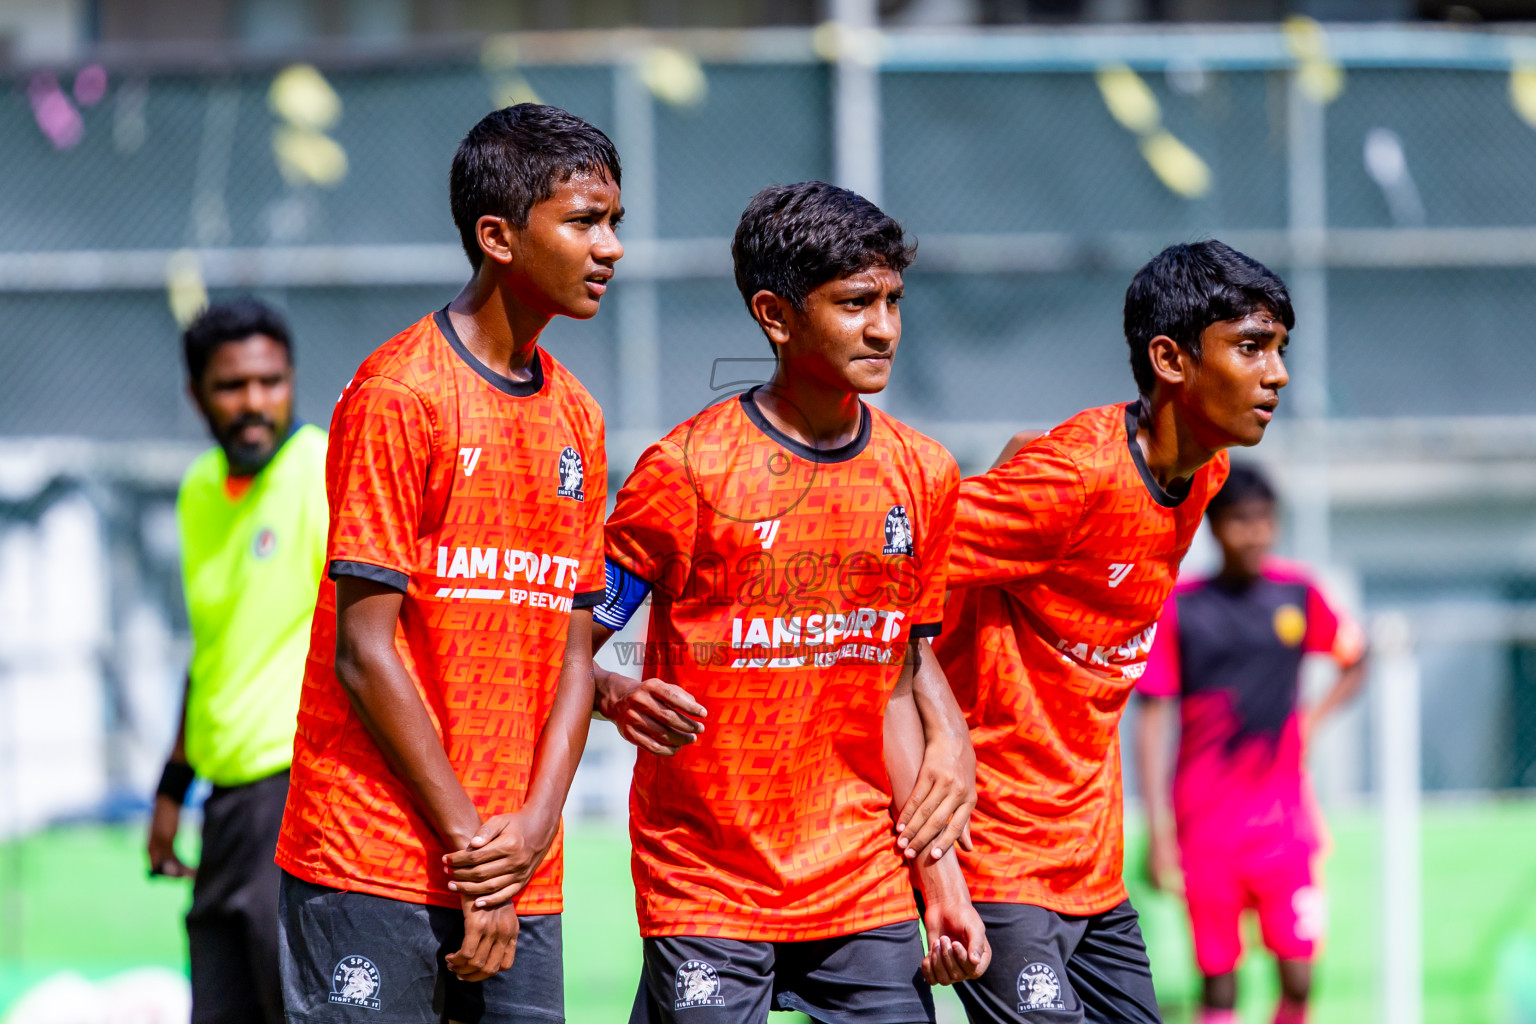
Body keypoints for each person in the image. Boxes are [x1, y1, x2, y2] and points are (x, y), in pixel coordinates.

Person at [567, 182, 988, 1024]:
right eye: (857, 303)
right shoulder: (687, 470)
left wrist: (941, 879)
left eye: (894, 301)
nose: (885, 328)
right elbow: (576, 635)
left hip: (862, 880)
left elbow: (897, 685)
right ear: (777, 315)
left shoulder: (923, 474)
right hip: (707, 882)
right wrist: (616, 691)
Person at [273, 103, 620, 1024]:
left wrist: (535, 833)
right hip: (376, 858)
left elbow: (577, 650)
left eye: (613, 221)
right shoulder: (401, 394)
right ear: (498, 236)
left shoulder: (579, 416)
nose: (611, 246)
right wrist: (475, 854)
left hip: (515, 866)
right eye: (585, 221)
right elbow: (365, 651)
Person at [931, 239, 1293, 1024]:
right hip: (996, 852)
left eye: (1280, 349)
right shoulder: (1076, 479)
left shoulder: (1209, 474)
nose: (1278, 374)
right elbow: (898, 568)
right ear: (1170, 359)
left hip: (1091, 867)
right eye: (1252, 348)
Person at [1134, 464, 1368, 1024]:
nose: (1255, 534)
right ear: (1214, 528)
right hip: (1206, 828)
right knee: (1219, 985)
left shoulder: (1298, 595)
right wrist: (1158, 829)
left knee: (1300, 973)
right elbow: (1151, 719)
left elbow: (1356, 660)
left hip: (1286, 826)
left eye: (1265, 521)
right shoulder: (1183, 608)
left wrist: (1312, 720)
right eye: (1241, 521)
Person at [150, 297, 326, 1024]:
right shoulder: (197, 493)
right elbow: (215, 651)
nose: (255, 402)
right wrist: (172, 785)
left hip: (295, 794)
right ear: (196, 395)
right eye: (232, 386)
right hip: (224, 807)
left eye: (271, 381)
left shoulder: (323, 467)